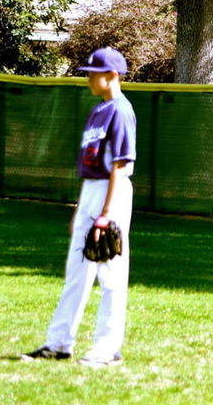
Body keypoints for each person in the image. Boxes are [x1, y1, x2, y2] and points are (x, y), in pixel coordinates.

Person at [22, 47, 137, 368]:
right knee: (77, 272)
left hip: (111, 192)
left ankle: (108, 349)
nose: (88, 77)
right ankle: (58, 343)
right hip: (90, 191)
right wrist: (80, 210)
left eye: (93, 73)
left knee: (111, 275)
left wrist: (104, 213)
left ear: (112, 76)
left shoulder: (121, 110)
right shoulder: (98, 110)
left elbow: (119, 164)